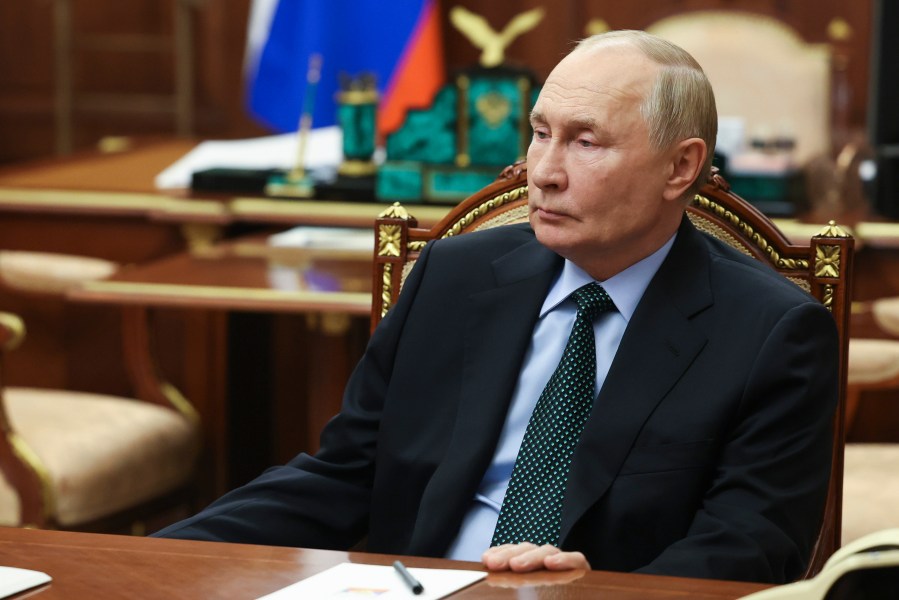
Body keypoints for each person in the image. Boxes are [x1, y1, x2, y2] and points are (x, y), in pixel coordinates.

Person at [154, 30, 838, 584]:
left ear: (679, 168)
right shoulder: (453, 278)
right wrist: (153, 560)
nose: (542, 170)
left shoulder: (771, 332)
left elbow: (751, 546)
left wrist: (596, 589)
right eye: (540, 132)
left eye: (585, 141)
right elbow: (344, 475)